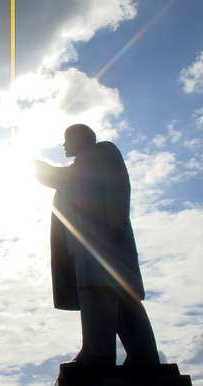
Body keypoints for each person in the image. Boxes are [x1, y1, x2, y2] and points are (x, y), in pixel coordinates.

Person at [35, 124, 160, 367]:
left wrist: (39, 169)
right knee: (122, 299)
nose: (63, 145)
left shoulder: (100, 153)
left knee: (97, 291)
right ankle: (144, 356)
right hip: (95, 242)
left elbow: (73, 179)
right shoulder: (85, 162)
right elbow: (67, 179)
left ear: (81, 139)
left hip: (99, 241)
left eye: (66, 139)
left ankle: (98, 355)